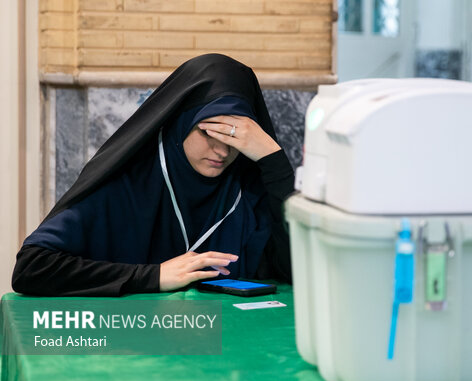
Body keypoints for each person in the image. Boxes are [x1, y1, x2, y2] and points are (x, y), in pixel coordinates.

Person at [12, 54, 295, 296]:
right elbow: (32, 267)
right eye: (209, 131)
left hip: (227, 344)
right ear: (181, 122)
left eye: (235, 137)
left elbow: (297, 270)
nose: (221, 150)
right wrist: (153, 276)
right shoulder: (128, 181)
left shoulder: (247, 188)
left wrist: (273, 158)